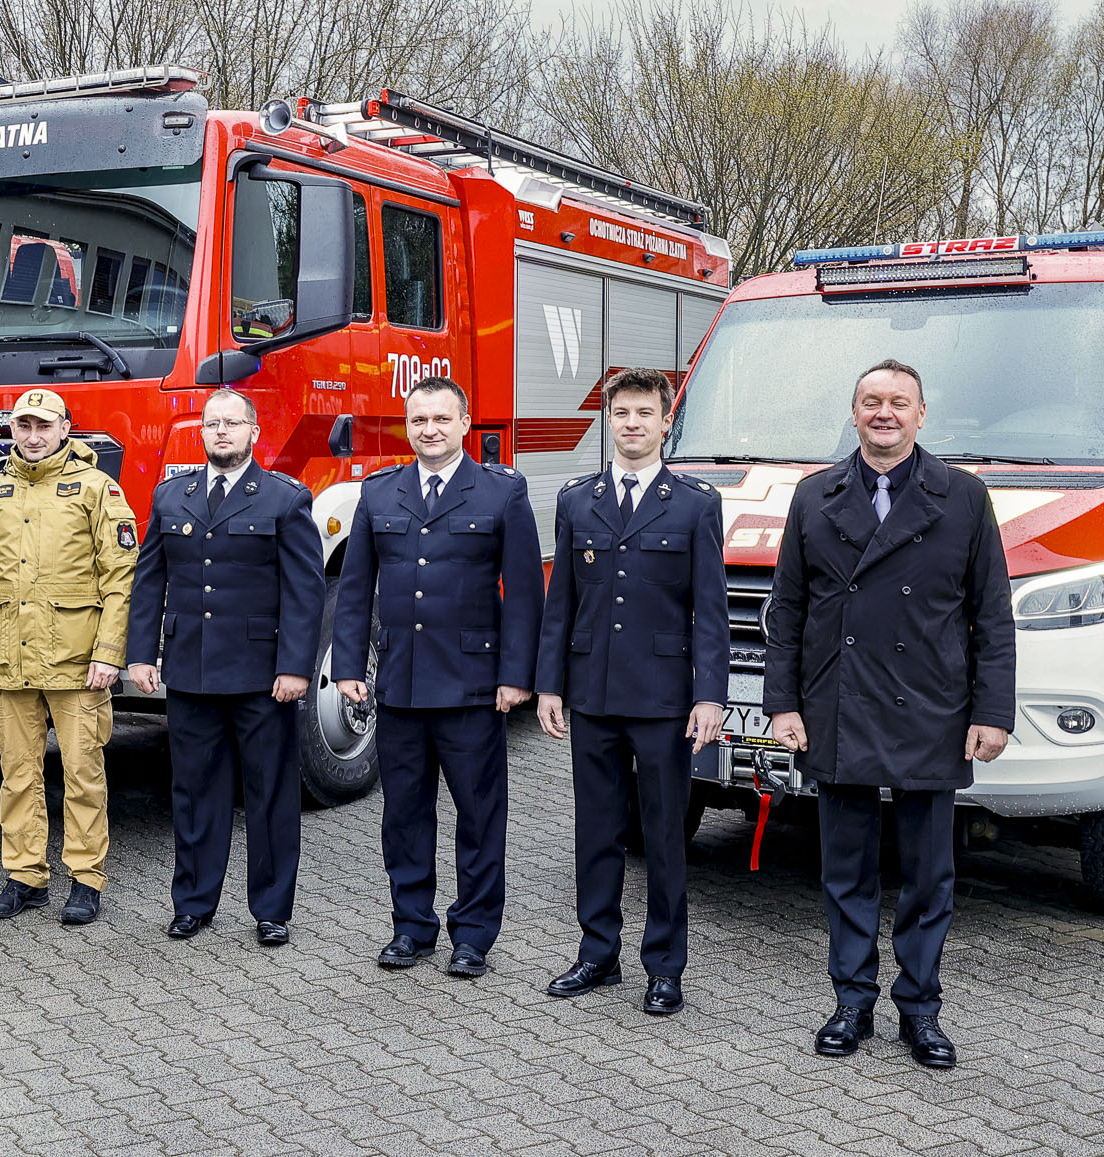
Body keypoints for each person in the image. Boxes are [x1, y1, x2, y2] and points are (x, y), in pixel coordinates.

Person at [763, 359, 1016, 1070]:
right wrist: (782, 702)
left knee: (929, 874)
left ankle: (921, 1010)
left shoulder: (963, 498)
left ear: (921, 414)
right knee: (845, 871)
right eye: (871, 401)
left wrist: (992, 711)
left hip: (931, 706)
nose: (884, 413)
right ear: (853, 413)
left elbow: (992, 615)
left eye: (898, 402)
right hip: (838, 702)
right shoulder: (815, 497)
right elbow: (787, 610)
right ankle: (850, 1003)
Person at [332, 376, 542, 978]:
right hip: (398, 683)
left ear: (465, 421)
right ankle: (411, 927)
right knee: (403, 815)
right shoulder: (378, 494)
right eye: (419, 419)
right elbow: (355, 591)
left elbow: (524, 594)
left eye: (442, 419)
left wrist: (515, 676)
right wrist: (348, 666)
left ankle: (473, 934)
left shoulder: (500, 494)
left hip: (473, 685)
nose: (430, 430)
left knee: (478, 815)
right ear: (407, 424)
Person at [534, 368, 730, 1015]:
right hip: (590, 693)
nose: (633, 423)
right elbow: (560, 602)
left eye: (646, 412)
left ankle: (664, 966)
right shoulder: (577, 499)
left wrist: (709, 695)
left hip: (665, 698)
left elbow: (710, 607)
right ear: (609, 419)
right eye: (622, 412)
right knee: (596, 830)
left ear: (666, 421)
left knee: (665, 836)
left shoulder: (696, 502)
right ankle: (598, 953)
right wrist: (550, 685)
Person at [127, 390, 325, 947]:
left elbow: (305, 593)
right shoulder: (172, 497)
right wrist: (141, 654)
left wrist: (295, 668)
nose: (220, 433)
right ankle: (193, 903)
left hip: (263, 677)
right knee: (193, 792)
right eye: (212, 424)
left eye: (232, 424)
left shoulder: (284, 500)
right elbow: (149, 583)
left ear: (254, 432)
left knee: (268, 794)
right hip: (190, 670)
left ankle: (271, 909)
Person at [0, 388, 140, 927]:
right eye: (23, 426)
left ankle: (86, 878)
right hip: (11, 659)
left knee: (83, 772)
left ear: (65, 428)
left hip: (77, 660)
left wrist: (109, 652)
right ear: (12, 430)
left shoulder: (98, 489)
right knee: (17, 773)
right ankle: (25, 874)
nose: (33, 436)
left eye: (44, 426)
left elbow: (121, 577)